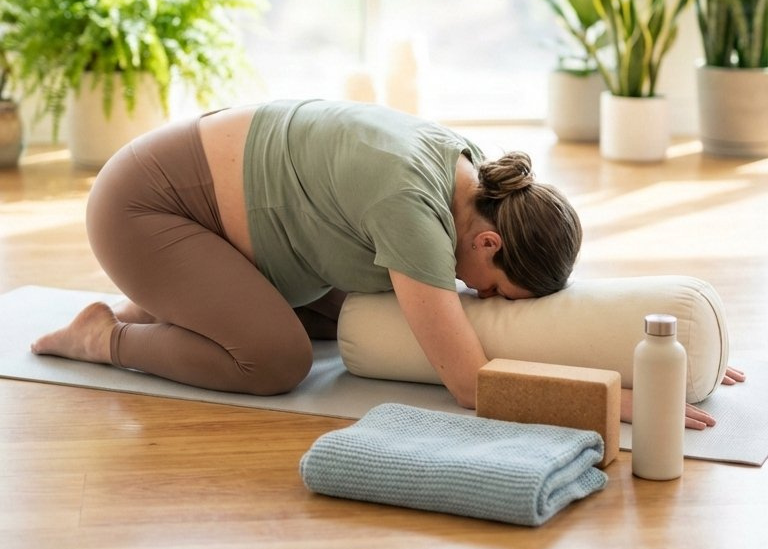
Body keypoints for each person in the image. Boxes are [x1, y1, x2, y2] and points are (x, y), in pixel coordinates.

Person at [32, 98, 742, 421]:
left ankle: (159, 304)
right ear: (489, 241)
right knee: (278, 362)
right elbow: (470, 385)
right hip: (144, 210)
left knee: (339, 323)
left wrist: (640, 352)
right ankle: (110, 336)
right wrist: (616, 401)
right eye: (495, 291)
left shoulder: (469, 172)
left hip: (227, 224)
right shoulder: (415, 211)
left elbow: (541, 311)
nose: (484, 300)